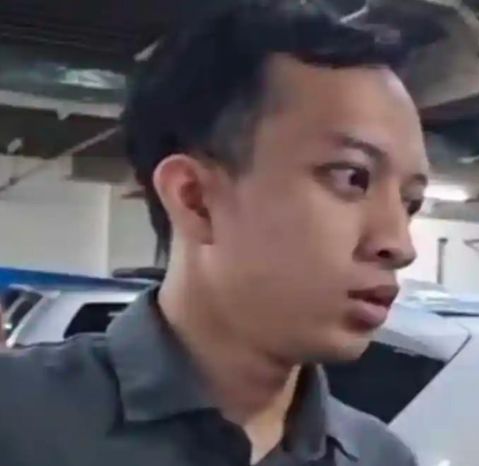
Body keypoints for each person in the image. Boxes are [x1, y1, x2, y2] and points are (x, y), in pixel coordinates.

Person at [0, 1, 429, 465]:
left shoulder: (381, 458)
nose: (400, 245)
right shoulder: (18, 421)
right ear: (195, 199)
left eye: (410, 203)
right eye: (351, 177)